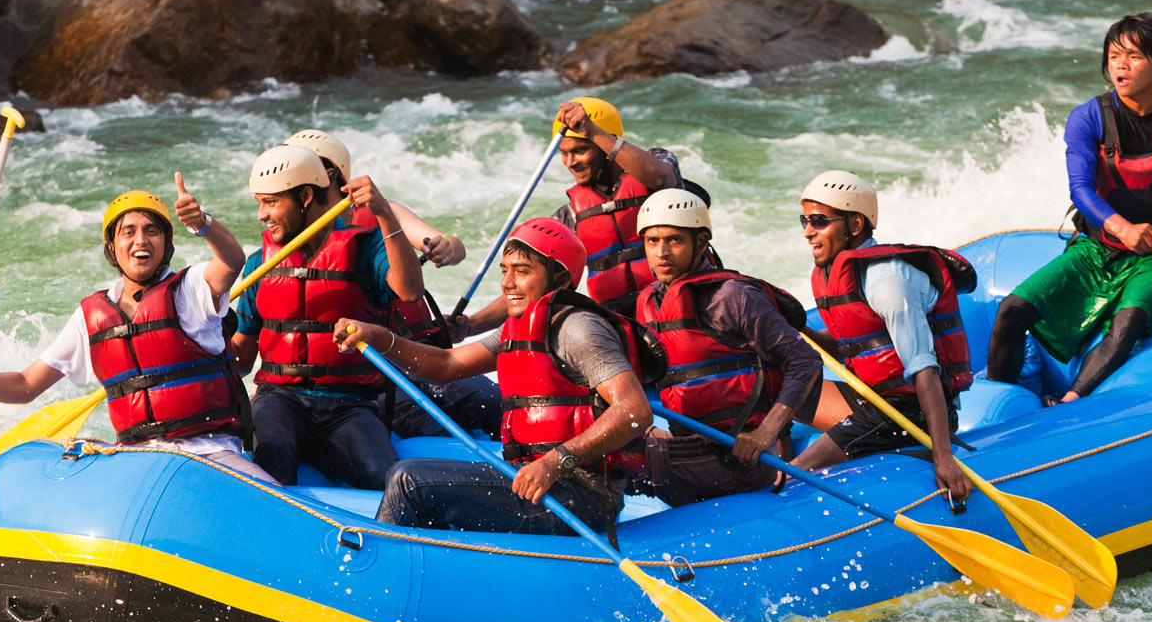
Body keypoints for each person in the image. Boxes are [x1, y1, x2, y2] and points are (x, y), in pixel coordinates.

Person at [0, 179, 274, 483]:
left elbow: (232, 260)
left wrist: (203, 224)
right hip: (139, 457)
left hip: (211, 452)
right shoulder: (91, 316)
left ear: (167, 245)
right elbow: (26, 385)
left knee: (275, 502)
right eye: (128, 232)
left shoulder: (191, 289)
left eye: (152, 231)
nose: (141, 240)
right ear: (112, 247)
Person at [334, 219, 654, 535]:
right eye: (505, 270)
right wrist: (379, 337)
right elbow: (444, 365)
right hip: (535, 483)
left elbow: (634, 412)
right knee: (418, 479)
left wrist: (556, 461)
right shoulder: (521, 326)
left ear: (559, 277)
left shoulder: (578, 328)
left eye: (522, 271)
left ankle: (373, 569)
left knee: (409, 480)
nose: (507, 283)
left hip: (578, 496)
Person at [986, 13, 1152, 402]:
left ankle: (1069, 404)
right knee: (1011, 310)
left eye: (1134, 56)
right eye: (1113, 55)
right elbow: (1081, 191)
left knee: (1128, 322)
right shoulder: (1088, 118)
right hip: (1097, 249)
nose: (1120, 65)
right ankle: (997, 406)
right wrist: (1121, 227)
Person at [226, 144, 424, 488]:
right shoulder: (261, 263)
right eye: (260, 202)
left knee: (383, 478)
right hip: (279, 399)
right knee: (271, 458)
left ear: (305, 196)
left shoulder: (365, 247)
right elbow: (242, 358)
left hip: (350, 404)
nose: (261, 214)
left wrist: (384, 214)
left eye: (271, 202)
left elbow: (409, 291)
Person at [284, 127, 500, 438]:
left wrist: (446, 247)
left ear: (330, 174)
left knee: (493, 403)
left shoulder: (379, 211)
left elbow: (450, 245)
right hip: (375, 372)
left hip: (424, 355)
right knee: (431, 429)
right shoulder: (288, 237)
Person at [793, 170, 974, 504]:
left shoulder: (888, 281)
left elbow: (924, 369)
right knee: (781, 391)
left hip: (910, 412)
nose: (807, 232)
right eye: (804, 220)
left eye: (819, 221)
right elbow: (854, 349)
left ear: (856, 225)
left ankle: (781, 485)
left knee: (799, 471)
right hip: (872, 398)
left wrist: (943, 457)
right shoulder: (835, 272)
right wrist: (798, 326)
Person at [632, 189, 822, 506]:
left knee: (617, 462)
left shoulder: (732, 295)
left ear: (702, 242)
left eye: (675, 240)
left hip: (739, 456)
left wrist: (765, 433)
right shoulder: (648, 302)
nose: (662, 252)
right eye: (652, 241)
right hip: (694, 449)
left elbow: (805, 361)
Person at [459, 97, 701, 333]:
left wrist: (592, 131)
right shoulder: (570, 215)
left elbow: (661, 177)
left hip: (682, 307)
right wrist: (470, 324)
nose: (570, 162)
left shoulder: (656, 165)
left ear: (607, 146)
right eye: (564, 153)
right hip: (622, 324)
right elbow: (531, 282)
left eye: (580, 150)